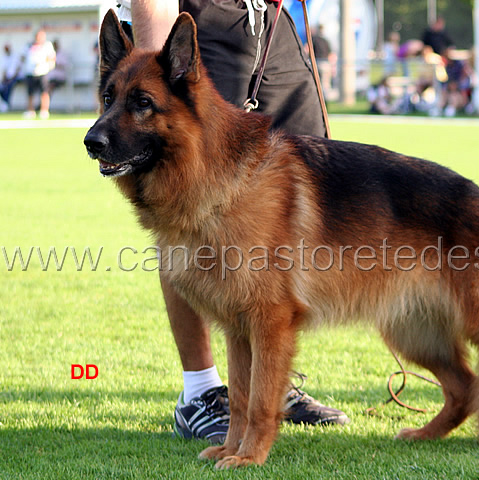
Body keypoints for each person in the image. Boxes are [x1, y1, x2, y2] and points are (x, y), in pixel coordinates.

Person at [119, 0, 348, 446]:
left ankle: (269, 384)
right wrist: (154, 68)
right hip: (198, 14)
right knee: (187, 210)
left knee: (303, 177)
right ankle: (200, 392)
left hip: (272, 19)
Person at [23, 29, 56, 119]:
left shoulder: (47, 45)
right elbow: (23, 56)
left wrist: (48, 65)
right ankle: (30, 110)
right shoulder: (29, 46)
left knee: (44, 92)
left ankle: (44, 110)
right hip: (31, 72)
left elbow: (52, 57)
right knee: (30, 93)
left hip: (43, 72)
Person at [0, 44, 22, 113]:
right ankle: (4, 104)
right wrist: (4, 79)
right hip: (8, 78)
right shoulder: (4, 57)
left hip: (16, 77)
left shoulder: (15, 56)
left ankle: (7, 104)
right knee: (2, 88)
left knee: (8, 87)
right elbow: (4, 69)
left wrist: (12, 78)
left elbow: (18, 69)